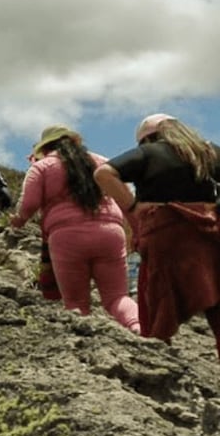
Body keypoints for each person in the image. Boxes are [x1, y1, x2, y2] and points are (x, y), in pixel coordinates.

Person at [92, 114, 220, 358]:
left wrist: (132, 207)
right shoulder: (207, 151)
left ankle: (156, 357)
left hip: (164, 232)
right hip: (209, 233)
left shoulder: (149, 153)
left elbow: (103, 174)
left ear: (146, 138)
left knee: (158, 301)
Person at [10, 126, 139, 332]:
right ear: (76, 142)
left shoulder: (42, 167)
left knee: (76, 303)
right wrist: (135, 229)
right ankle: (139, 327)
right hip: (110, 233)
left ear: (45, 147)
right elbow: (125, 197)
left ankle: (84, 341)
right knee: (117, 297)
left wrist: (18, 221)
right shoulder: (102, 161)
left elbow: (29, 204)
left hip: (67, 237)